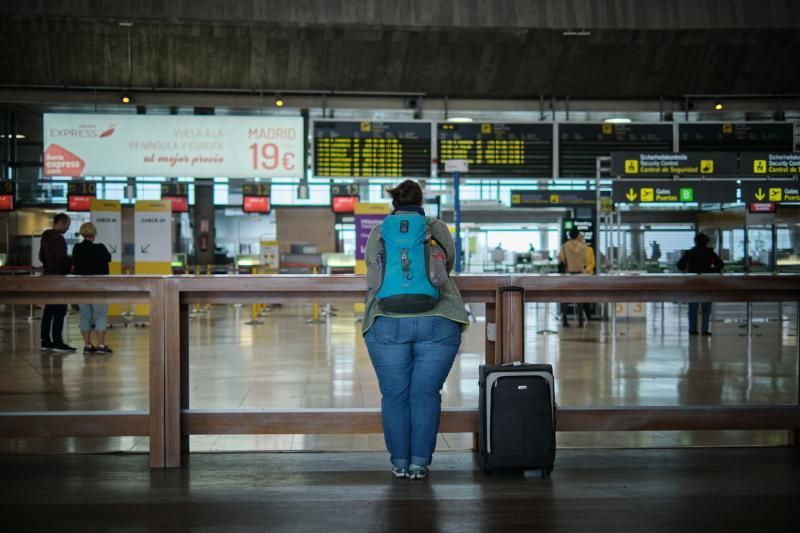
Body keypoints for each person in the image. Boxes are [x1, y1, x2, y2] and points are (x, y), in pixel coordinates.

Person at [363, 179, 469, 480]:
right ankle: (419, 463)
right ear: (422, 201)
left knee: (395, 394)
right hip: (438, 319)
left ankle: (399, 462)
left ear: (393, 202)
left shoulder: (380, 230)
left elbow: (371, 267)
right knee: (425, 393)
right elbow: (446, 265)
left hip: (385, 321)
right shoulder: (435, 227)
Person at [72, 222, 113, 354]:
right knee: (100, 315)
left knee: (85, 316)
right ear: (94, 234)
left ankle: (87, 345)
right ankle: (101, 345)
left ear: (82, 233)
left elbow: (74, 263)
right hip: (98, 285)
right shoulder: (100, 248)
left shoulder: (77, 248)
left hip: (81, 286)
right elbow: (108, 258)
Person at [39, 213, 76, 352]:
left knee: (49, 310)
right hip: (59, 277)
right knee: (60, 310)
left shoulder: (45, 237)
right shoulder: (58, 238)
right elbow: (62, 258)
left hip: (47, 276)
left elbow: (41, 256)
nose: (67, 228)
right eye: (67, 225)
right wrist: (71, 265)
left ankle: (45, 341)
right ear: (60, 222)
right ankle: (58, 342)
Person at [677, 232, 724, 336]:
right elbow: (720, 264)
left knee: (693, 307)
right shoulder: (710, 253)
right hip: (707, 281)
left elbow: (680, 265)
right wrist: (713, 270)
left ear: (695, 241)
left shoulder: (690, 252)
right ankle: (705, 330)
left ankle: (692, 330)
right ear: (707, 242)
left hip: (692, 281)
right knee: (706, 308)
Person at [558, 228, 592, 327]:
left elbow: (561, 259)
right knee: (580, 297)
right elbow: (586, 260)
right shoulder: (583, 246)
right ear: (577, 235)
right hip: (580, 275)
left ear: (569, 235)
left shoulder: (564, 246)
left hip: (568, 275)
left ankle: (564, 320)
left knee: (564, 297)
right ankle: (580, 322)